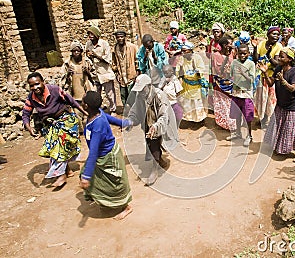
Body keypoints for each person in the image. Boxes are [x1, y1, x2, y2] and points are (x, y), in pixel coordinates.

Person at [22, 72, 87, 187]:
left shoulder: (55, 90)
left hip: (65, 120)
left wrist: (86, 113)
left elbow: (71, 101)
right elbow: (26, 114)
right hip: (50, 124)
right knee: (53, 147)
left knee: (59, 145)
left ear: (43, 82)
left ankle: (60, 175)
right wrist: (29, 128)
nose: (35, 88)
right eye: (32, 86)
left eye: (37, 84)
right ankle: (67, 171)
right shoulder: (31, 98)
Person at [80, 91, 133, 220]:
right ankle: (102, 199)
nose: (80, 102)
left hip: (108, 156)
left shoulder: (97, 126)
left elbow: (93, 152)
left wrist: (86, 177)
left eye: (82, 101)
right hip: (100, 156)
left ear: (86, 106)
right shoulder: (97, 113)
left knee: (116, 183)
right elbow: (112, 119)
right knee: (93, 177)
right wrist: (124, 123)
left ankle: (126, 207)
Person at [127, 74, 179, 186]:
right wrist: (131, 120)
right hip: (147, 122)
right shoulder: (140, 96)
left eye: (142, 90)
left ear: (148, 86)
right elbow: (135, 110)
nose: (140, 93)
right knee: (150, 143)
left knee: (154, 142)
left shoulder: (160, 96)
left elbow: (164, 115)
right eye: (138, 90)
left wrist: (156, 126)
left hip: (160, 123)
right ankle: (161, 162)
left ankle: (154, 169)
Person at [261, 47, 295, 162]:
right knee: (278, 126)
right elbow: (270, 84)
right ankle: (280, 147)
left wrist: (283, 80)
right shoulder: (279, 68)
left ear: (289, 59)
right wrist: (265, 73)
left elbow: (292, 88)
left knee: (294, 129)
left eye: (282, 56)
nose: (279, 58)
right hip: (280, 103)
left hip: (292, 105)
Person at [60, 40, 94, 132]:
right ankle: (81, 131)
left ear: (81, 52)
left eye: (78, 51)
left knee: (89, 112)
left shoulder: (86, 62)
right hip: (75, 95)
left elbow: (95, 78)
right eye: (74, 51)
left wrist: (88, 72)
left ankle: (90, 128)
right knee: (77, 113)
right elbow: (62, 82)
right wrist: (68, 74)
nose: (76, 53)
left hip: (86, 93)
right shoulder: (67, 64)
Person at [226, 44, 256, 147]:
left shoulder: (251, 64)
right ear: (237, 54)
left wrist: (244, 73)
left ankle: (249, 135)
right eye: (240, 54)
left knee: (248, 116)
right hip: (236, 92)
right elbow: (231, 75)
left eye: (245, 53)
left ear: (248, 53)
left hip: (246, 94)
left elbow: (252, 80)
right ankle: (238, 133)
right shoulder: (234, 62)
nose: (242, 55)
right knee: (237, 114)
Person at [253, 26, 283, 123]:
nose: (276, 36)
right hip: (261, 76)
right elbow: (256, 58)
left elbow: (277, 63)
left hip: (271, 77)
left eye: (278, 34)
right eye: (274, 34)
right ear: (268, 35)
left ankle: (267, 119)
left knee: (270, 100)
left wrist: (269, 56)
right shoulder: (261, 44)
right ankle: (261, 117)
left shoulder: (278, 47)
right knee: (261, 98)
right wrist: (255, 47)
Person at [85, 26, 117, 115]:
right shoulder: (88, 44)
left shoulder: (104, 44)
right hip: (95, 74)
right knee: (96, 94)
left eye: (92, 34)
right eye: (89, 34)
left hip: (105, 73)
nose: (90, 36)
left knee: (109, 94)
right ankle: (99, 108)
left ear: (97, 35)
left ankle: (113, 109)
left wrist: (95, 55)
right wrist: (88, 56)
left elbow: (108, 60)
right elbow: (86, 57)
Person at [176, 41, 208, 123]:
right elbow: (178, 73)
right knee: (187, 103)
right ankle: (190, 119)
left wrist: (196, 70)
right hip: (186, 84)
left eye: (185, 51)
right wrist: (180, 66)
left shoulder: (197, 58)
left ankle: (200, 120)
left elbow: (201, 70)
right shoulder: (181, 59)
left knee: (197, 103)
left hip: (196, 84)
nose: (183, 53)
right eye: (182, 51)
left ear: (190, 51)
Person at [212, 36, 237, 130]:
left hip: (231, 82)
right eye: (230, 44)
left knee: (230, 103)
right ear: (225, 45)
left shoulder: (233, 53)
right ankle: (223, 123)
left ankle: (232, 123)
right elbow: (219, 71)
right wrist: (226, 57)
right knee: (221, 103)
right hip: (220, 83)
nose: (232, 46)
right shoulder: (216, 55)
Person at [112, 29, 139, 107]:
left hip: (131, 76)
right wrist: (116, 71)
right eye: (118, 37)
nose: (120, 39)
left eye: (121, 37)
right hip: (122, 77)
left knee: (133, 95)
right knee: (123, 96)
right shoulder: (115, 48)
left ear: (125, 37)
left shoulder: (132, 47)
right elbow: (114, 62)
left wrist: (137, 74)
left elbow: (137, 60)